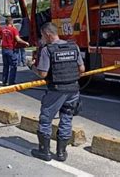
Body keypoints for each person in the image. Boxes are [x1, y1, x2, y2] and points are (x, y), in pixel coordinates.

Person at [27, 22, 85, 162]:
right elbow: (82, 69)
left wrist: (31, 66)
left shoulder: (48, 50)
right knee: (66, 118)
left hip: (56, 91)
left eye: (42, 36)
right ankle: (61, 153)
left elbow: (43, 74)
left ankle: (44, 152)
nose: (42, 38)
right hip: (73, 90)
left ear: (47, 34)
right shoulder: (73, 46)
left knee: (46, 120)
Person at [0, 17, 29, 85]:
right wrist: (25, 43)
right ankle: (11, 82)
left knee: (5, 66)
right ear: (11, 22)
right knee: (13, 66)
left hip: (4, 49)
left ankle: (4, 81)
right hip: (11, 49)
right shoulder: (13, 29)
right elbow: (18, 39)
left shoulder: (3, 29)